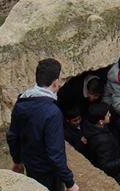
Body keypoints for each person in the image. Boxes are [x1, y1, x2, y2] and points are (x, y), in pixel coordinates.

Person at [7, 58, 80, 191]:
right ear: (56, 82)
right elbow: (55, 153)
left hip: (31, 164)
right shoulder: (53, 113)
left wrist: (17, 160)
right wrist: (70, 182)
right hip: (48, 171)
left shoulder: (22, 102)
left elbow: (12, 135)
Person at [82, 103, 120, 184]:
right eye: (107, 114)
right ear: (100, 121)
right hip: (113, 174)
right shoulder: (103, 141)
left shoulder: (92, 125)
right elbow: (105, 166)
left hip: (116, 152)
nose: (110, 115)